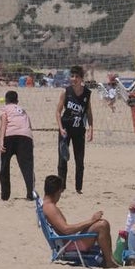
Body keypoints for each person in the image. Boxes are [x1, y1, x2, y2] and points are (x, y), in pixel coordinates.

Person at [40, 175, 119, 268]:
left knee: (99, 224)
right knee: (102, 225)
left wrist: (91, 222)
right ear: (57, 191)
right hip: (70, 246)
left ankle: (108, 259)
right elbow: (66, 229)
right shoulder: (50, 208)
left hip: (69, 241)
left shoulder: (45, 205)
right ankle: (109, 261)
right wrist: (91, 220)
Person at [55, 64, 93, 194]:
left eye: (77, 76)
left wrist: (91, 129)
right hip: (65, 129)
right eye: (72, 76)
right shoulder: (66, 92)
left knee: (79, 160)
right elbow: (58, 112)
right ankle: (61, 186)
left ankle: (78, 188)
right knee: (62, 159)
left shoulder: (87, 93)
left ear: (81, 78)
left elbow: (88, 112)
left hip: (79, 130)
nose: (74, 79)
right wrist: (60, 128)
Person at [0, 90, 35, 201]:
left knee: (4, 166)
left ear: (6, 101)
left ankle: (5, 195)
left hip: (10, 136)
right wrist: (31, 141)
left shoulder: (5, 109)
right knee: (28, 168)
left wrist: (1, 141)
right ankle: (30, 193)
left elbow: (4, 123)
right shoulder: (23, 110)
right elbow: (29, 125)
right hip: (26, 137)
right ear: (17, 101)